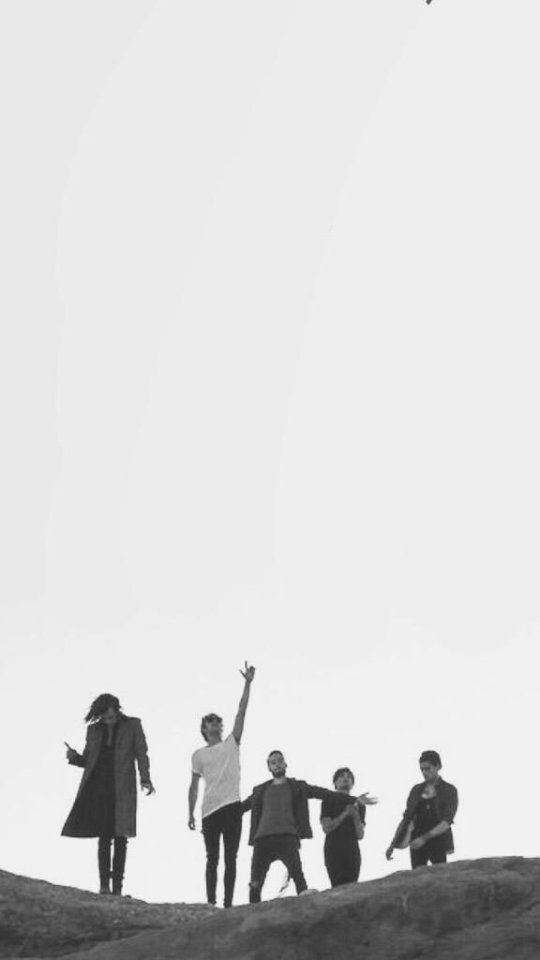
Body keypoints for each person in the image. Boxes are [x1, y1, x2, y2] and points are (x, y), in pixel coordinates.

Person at [242, 750, 377, 903]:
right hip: (262, 839)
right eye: (273, 762)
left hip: (288, 837)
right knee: (255, 883)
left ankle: (307, 912)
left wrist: (355, 800)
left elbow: (323, 793)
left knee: (299, 879)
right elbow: (242, 807)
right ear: (269, 767)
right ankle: (250, 917)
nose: (277, 764)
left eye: (280, 761)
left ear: (286, 764)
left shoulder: (297, 786)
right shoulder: (260, 790)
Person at [62, 693, 154, 895]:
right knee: (104, 836)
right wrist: (74, 757)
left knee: (121, 836)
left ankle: (117, 888)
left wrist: (145, 778)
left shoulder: (133, 725)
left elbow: (141, 753)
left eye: (112, 715)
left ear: (117, 710)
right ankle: (104, 885)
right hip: (99, 786)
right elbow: (88, 760)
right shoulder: (93, 730)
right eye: (105, 716)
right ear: (100, 715)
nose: (109, 719)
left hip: (122, 787)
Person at [188, 662, 256, 908]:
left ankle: (227, 904)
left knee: (231, 857)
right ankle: (211, 902)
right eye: (210, 722)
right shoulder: (198, 755)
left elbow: (241, 712)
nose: (215, 724)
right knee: (211, 858)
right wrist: (191, 812)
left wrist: (247, 684)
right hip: (209, 810)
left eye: (217, 721)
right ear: (204, 729)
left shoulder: (231, 743)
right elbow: (193, 786)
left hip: (232, 806)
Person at [385, 750, 458, 869]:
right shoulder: (416, 790)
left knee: (439, 877)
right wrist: (393, 844)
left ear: (438, 766)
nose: (424, 772)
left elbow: (447, 821)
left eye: (428, 768)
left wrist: (424, 838)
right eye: (422, 769)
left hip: (438, 840)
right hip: (415, 841)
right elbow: (407, 818)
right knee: (416, 878)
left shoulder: (448, 790)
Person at [320, 767, 366, 888]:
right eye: (342, 776)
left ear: (353, 783)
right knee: (336, 887)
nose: (346, 779)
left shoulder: (359, 803)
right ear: (335, 782)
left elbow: (360, 835)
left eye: (349, 777)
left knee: (353, 887)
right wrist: (345, 814)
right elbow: (327, 828)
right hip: (333, 849)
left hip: (352, 849)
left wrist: (355, 815)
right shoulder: (328, 799)